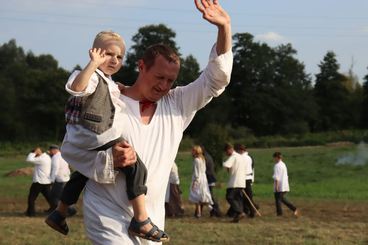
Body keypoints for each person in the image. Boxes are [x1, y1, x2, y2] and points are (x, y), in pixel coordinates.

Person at [60, 0, 232, 243]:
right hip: (106, 214)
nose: (164, 85)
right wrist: (108, 160)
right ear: (141, 66)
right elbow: (71, 147)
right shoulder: (106, 100)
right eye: (159, 77)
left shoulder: (177, 104)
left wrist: (224, 28)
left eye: (170, 80)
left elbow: (216, 80)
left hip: (151, 219)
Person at [45, 31, 167, 242]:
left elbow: (111, 95)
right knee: (135, 165)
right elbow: (77, 89)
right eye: (108, 54)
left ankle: (59, 212)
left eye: (119, 57)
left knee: (83, 173)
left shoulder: (108, 81)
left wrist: (119, 88)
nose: (114, 60)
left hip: (90, 137)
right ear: (94, 53)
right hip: (96, 134)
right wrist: (92, 65)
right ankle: (141, 219)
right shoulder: (88, 75)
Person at [25, 147, 54, 217]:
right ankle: (55, 209)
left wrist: (34, 152)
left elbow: (28, 159)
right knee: (49, 197)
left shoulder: (41, 159)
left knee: (31, 198)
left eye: (36, 155)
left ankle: (31, 213)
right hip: (46, 181)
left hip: (39, 182)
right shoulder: (46, 157)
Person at [223, 143, 247, 222]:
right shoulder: (240, 157)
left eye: (226, 152)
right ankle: (237, 217)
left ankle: (240, 212)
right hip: (242, 182)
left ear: (229, 149)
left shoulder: (233, 157)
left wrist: (224, 164)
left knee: (229, 197)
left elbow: (227, 165)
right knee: (238, 198)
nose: (226, 154)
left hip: (235, 182)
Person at [48, 145, 74, 214]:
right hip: (66, 178)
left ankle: (65, 211)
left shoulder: (55, 157)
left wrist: (52, 180)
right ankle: (68, 210)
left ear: (54, 150)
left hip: (59, 179)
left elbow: (55, 169)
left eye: (50, 151)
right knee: (63, 195)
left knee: (55, 196)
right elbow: (67, 167)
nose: (50, 152)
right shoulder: (63, 155)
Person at [189, 145, 213, 218]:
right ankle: (199, 212)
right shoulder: (202, 159)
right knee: (200, 195)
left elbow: (196, 172)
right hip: (203, 178)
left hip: (198, 178)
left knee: (196, 195)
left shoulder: (196, 160)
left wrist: (195, 181)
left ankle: (198, 213)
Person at [272, 152, 299, 217]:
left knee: (278, 200)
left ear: (276, 157)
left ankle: (280, 214)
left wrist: (277, 187)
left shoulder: (277, 166)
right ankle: (294, 209)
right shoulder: (283, 164)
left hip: (280, 185)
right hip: (284, 185)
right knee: (282, 199)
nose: (274, 159)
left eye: (274, 158)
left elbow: (277, 177)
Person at [234, 143, 255, 218]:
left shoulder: (242, 158)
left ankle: (251, 211)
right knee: (248, 196)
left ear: (240, 150)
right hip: (248, 178)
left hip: (244, 178)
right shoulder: (249, 157)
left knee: (244, 197)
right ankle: (250, 211)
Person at [201, 145, 222, 217]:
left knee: (209, 195)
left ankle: (216, 210)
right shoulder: (207, 156)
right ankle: (214, 210)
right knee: (208, 195)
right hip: (210, 177)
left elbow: (204, 169)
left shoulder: (205, 158)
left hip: (209, 178)